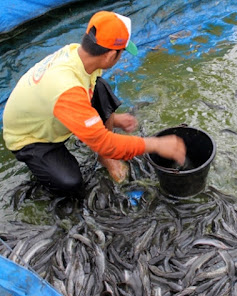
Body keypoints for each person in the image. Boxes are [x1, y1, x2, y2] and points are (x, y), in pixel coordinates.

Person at [2, 11, 186, 195]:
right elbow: (105, 143)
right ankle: (49, 160)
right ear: (110, 55)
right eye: (122, 52)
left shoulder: (77, 53)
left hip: (53, 111)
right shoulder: (67, 88)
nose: (122, 57)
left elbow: (93, 92)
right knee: (70, 183)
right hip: (31, 137)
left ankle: (105, 157)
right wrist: (156, 144)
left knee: (99, 86)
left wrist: (115, 119)